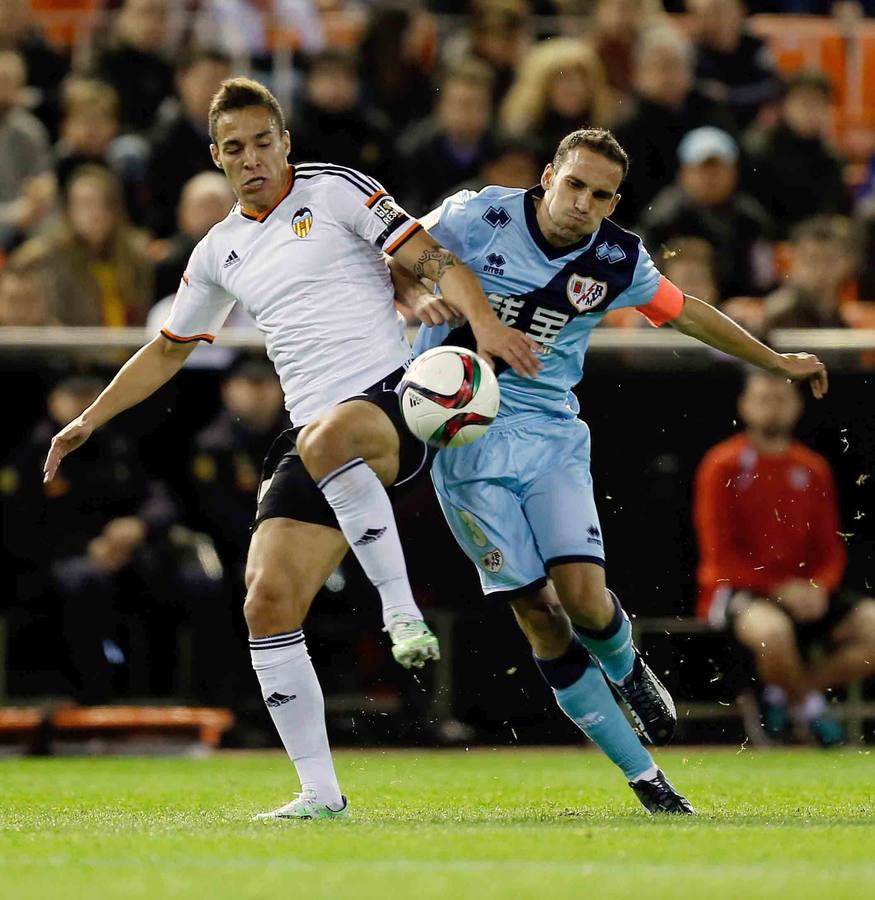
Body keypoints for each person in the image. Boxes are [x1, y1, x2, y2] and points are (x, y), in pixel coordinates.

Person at [43, 77, 540, 820]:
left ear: (285, 143)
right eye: (234, 148)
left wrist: (485, 327)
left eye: (263, 142)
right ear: (216, 157)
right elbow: (168, 348)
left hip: (389, 402)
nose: (251, 158)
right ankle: (320, 793)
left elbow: (430, 258)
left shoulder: (336, 191)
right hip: (308, 436)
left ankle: (399, 612)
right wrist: (90, 417)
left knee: (329, 434)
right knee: (267, 602)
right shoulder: (217, 251)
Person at [390, 127, 827, 814]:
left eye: (599, 194)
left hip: (550, 432)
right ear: (546, 176)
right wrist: (414, 301)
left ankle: (626, 668)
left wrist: (775, 361)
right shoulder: (478, 216)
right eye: (574, 185)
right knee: (537, 611)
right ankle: (646, 778)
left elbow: (686, 315)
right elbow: (394, 253)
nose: (582, 202)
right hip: (464, 437)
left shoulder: (617, 258)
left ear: (613, 200)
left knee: (586, 600)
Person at [693, 372, 875, 746]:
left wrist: (817, 587)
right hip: (738, 591)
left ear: (797, 406)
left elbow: (831, 548)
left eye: (781, 399)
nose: (772, 408)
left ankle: (785, 697)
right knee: (771, 633)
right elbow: (719, 557)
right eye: (763, 399)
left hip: (803, 592)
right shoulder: (722, 464)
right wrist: (777, 589)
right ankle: (809, 712)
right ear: (744, 405)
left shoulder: (813, 468)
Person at [10, 165, 153, 326]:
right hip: (65, 348)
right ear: (69, 210)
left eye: (105, 204)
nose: (96, 213)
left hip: (131, 347)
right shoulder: (43, 256)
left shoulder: (136, 256)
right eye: (86, 204)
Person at [639, 126, 774, 297]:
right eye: (703, 169)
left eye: (718, 169)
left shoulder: (750, 219)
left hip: (735, 309)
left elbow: (762, 279)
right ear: (684, 172)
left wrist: (751, 303)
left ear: (734, 172)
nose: (710, 177)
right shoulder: (662, 218)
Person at [743, 70, 849, 238]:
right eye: (804, 103)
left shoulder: (832, 158)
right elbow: (754, 209)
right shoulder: (759, 150)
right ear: (784, 106)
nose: (810, 111)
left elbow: (836, 210)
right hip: (772, 239)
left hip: (817, 241)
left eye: (818, 103)